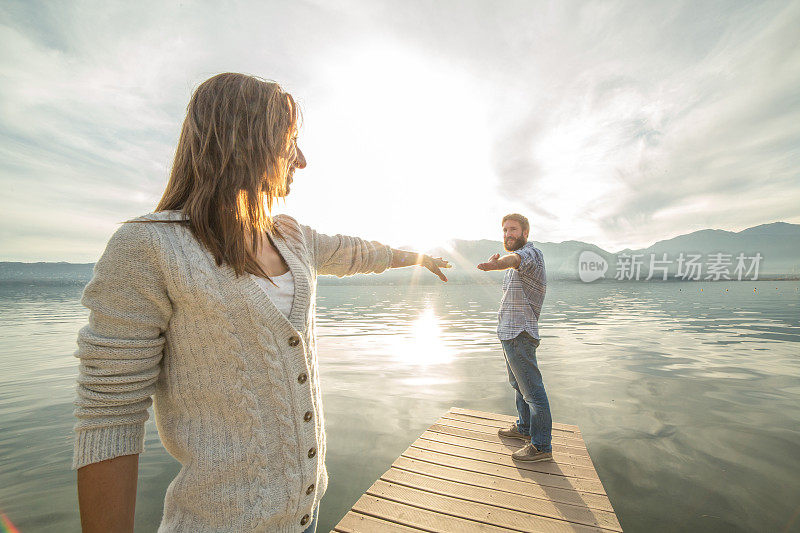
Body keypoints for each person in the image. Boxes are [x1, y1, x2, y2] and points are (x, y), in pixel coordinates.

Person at [73, 72, 450, 533]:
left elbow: (355, 252)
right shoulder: (149, 247)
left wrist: (415, 256)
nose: (303, 161)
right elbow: (109, 414)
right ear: (245, 140)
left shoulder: (290, 236)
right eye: (291, 143)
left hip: (302, 520)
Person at [477, 213, 552, 462]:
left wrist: (495, 265)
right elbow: (511, 262)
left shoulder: (531, 254)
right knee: (519, 386)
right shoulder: (514, 266)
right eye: (505, 230)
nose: (508, 234)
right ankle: (524, 429)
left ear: (525, 233)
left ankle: (541, 446)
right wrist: (500, 265)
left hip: (520, 334)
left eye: (513, 230)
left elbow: (515, 258)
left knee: (533, 392)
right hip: (509, 333)